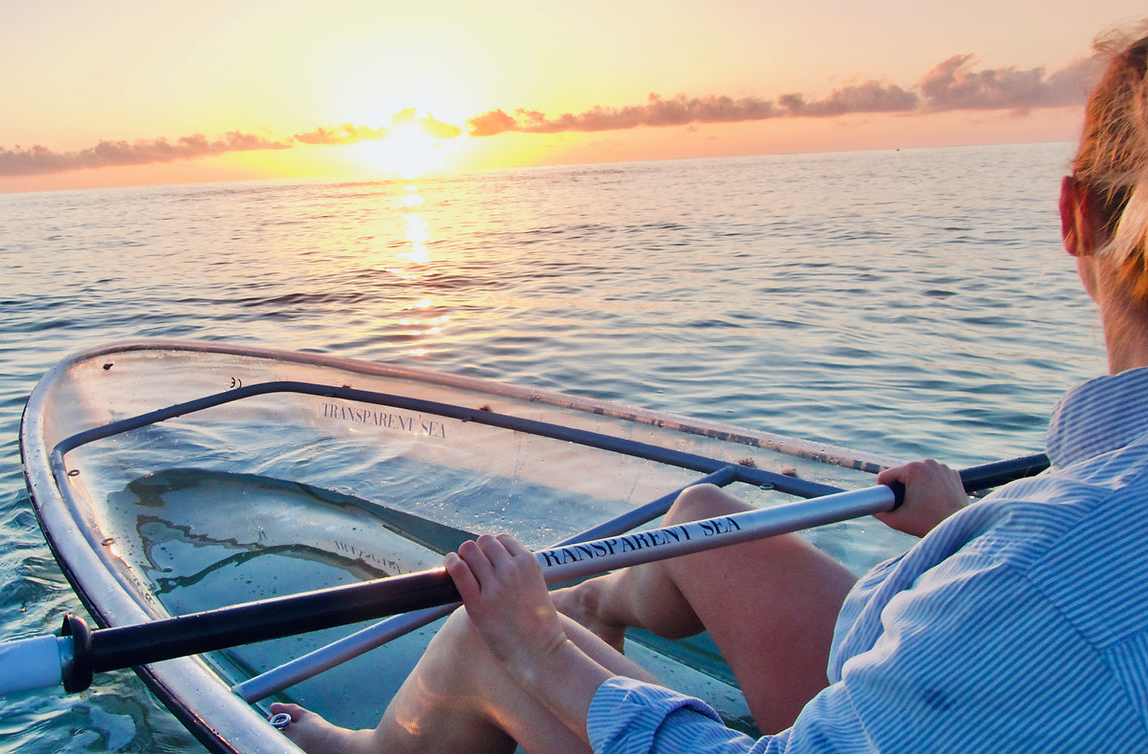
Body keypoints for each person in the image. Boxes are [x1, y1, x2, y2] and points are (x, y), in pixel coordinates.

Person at [271, 27, 1148, 753]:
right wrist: (960, 529)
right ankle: (588, 611)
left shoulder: (1047, 566)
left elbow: (1062, 596)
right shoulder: (1072, 523)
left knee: (481, 642)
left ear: (1073, 216)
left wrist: (536, 647)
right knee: (699, 517)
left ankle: (390, 742)